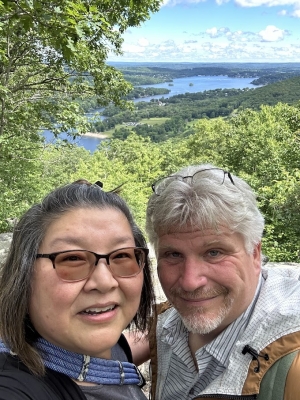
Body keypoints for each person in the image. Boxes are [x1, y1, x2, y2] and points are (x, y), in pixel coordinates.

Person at [144, 164, 300, 399]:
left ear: (255, 254)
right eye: (174, 255)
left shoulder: (292, 360)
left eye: (214, 253)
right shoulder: (168, 323)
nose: (190, 282)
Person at [0, 179, 155, 400]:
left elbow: (127, 345)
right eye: (72, 258)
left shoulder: (105, 347)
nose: (104, 281)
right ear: (23, 275)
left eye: (122, 255)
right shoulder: (15, 388)